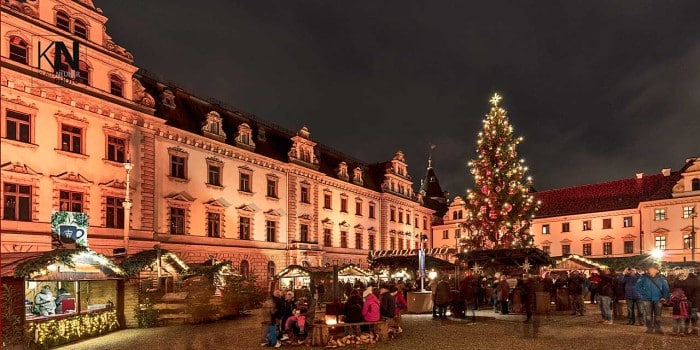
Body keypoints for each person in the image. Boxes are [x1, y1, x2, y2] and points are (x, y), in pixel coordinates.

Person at [636, 264, 670, 334]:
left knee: (658, 315)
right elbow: (637, 287)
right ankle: (649, 328)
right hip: (647, 299)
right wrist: (644, 292)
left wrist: (664, 297)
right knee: (648, 315)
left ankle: (658, 328)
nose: (651, 270)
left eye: (653, 269)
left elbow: (666, 289)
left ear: (657, 270)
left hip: (658, 299)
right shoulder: (643, 278)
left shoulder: (661, 278)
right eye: (650, 269)